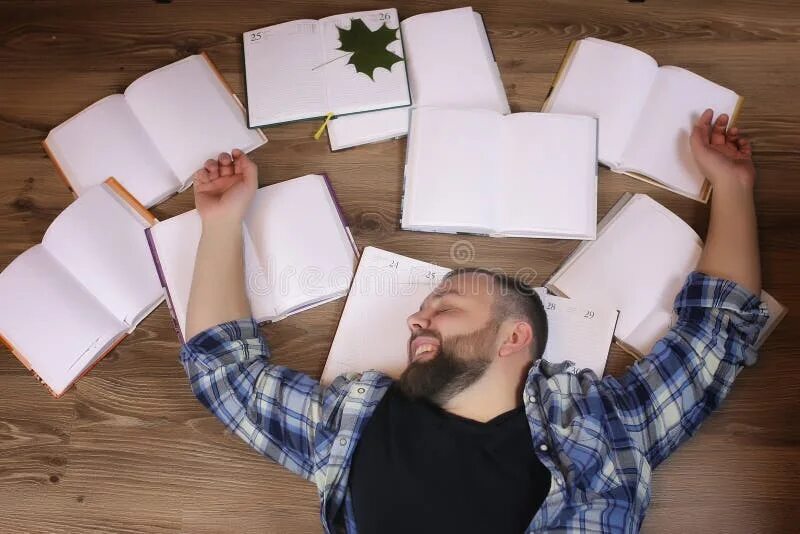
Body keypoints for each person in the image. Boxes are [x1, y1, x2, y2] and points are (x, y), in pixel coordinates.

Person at [180, 110, 768, 534]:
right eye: (431, 307)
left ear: (516, 337)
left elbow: (716, 332)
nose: (416, 317)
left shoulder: (603, 426)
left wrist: (734, 187)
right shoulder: (351, 425)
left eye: (445, 305)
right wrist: (223, 222)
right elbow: (221, 371)